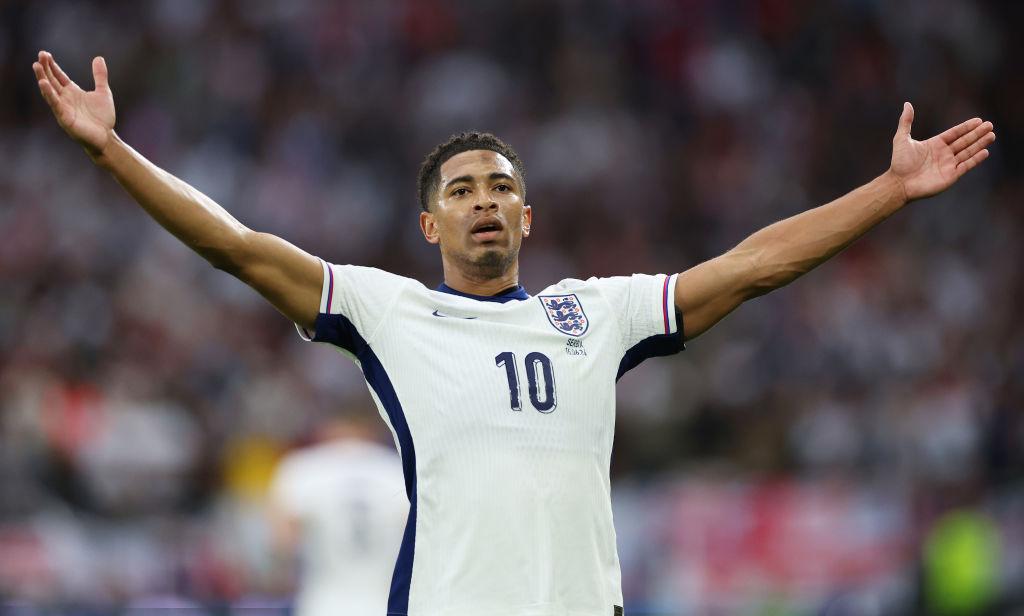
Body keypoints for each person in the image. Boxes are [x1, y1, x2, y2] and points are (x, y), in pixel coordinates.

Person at [32, 50, 995, 616]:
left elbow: (752, 266)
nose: (484, 200)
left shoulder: (598, 312)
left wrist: (890, 190)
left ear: (527, 217)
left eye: (501, 187)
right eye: (462, 191)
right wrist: (114, 152)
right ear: (430, 225)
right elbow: (238, 247)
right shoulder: (389, 313)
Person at [267, 413, 407, 616]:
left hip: (322, 604)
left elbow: (282, 543)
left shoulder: (302, 469)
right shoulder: (398, 470)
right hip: (386, 604)